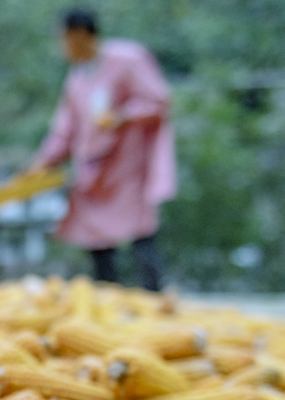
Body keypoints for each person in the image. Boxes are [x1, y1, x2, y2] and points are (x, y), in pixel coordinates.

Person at [28, 8, 176, 292]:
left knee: (139, 228)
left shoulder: (127, 59)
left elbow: (159, 101)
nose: (63, 47)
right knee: (94, 232)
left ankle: (154, 294)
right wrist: (44, 161)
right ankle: (108, 293)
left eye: (65, 39)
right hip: (94, 168)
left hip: (128, 164)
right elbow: (65, 129)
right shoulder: (77, 77)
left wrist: (121, 116)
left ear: (80, 35)